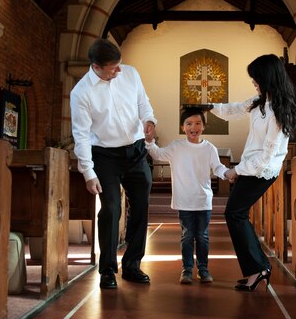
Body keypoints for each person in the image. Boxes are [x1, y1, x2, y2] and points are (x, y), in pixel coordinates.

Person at [70, 37, 156, 289]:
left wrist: (149, 119)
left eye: (119, 65)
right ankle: (107, 270)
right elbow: (81, 134)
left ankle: (132, 265)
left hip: (137, 151)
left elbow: (143, 101)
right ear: (96, 67)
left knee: (141, 206)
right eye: (113, 68)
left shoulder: (130, 73)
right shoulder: (81, 92)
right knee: (111, 209)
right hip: (105, 155)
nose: (119, 71)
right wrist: (88, 172)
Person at [210, 54, 296, 291]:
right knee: (236, 214)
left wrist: (235, 171)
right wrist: (209, 107)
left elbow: (267, 157)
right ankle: (257, 268)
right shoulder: (261, 102)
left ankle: (258, 268)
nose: (254, 83)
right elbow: (236, 109)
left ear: (268, 78)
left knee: (234, 214)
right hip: (251, 167)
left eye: (256, 78)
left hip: (262, 171)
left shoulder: (279, 112)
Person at [145, 107, 228, 284]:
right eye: (189, 123)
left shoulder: (209, 148)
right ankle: (187, 270)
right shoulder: (176, 147)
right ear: (183, 127)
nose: (193, 127)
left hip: (203, 200)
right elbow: (157, 155)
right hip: (184, 201)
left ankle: (204, 270)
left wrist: (228, 173)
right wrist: (150, 141)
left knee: (203, 236)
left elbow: (218, 167)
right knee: (188, 235)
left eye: (198, 123)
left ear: (204, 127)